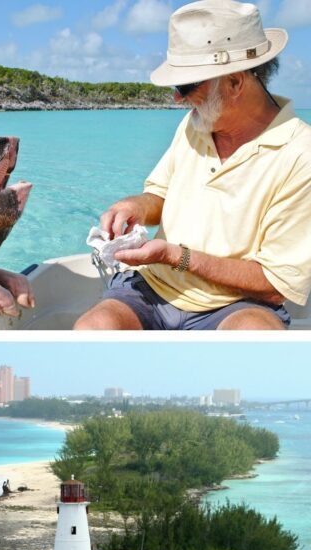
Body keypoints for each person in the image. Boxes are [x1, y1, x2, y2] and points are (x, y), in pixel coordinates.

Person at [75, 0, 311, 331]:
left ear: (234, 82)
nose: (177, 98)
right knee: (92, 331)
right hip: (153, 288)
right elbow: (159, 195)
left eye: (186, 87)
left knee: (253, 338)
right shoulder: (195, 123)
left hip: (237, 304)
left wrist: (176, 257)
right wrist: (135, 207)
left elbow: (275, 285)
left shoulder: (302, 154)